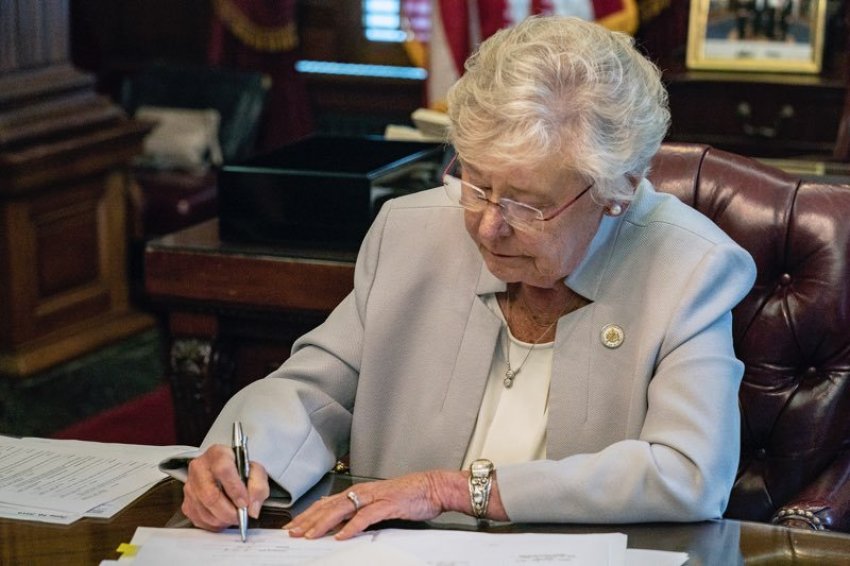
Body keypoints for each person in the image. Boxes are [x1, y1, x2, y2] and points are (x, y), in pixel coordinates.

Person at [181, 15, 756, 540]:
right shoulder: (410, 232)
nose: (487, 227)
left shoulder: (688, 268)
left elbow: (689, 473)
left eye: (527, 205)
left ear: (617, 191)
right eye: (477, 184)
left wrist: (452, 489)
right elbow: (310, 390)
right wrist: (241, 455)